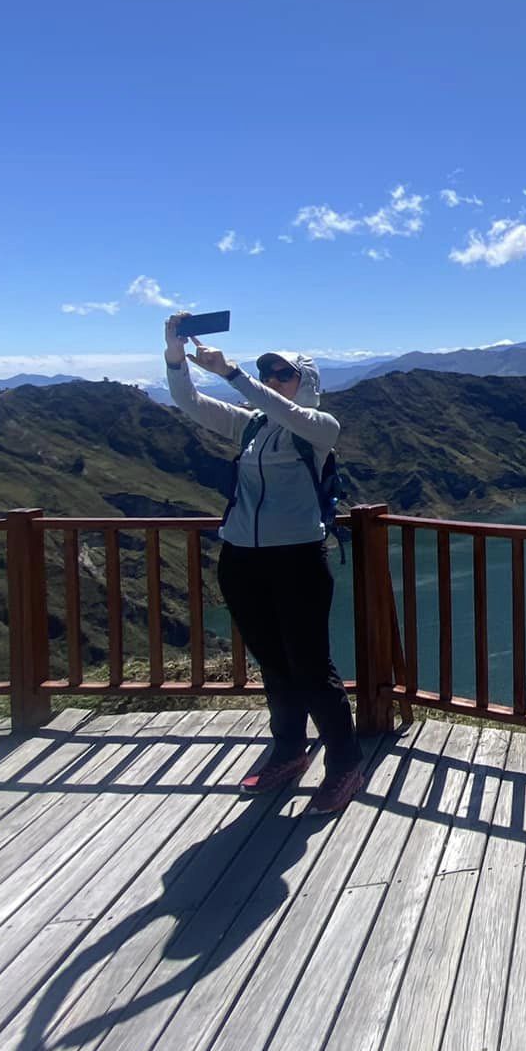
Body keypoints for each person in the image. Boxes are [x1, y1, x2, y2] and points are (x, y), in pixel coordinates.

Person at [164, 314, 362, 812]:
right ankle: (290, 751)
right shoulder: (251, 424)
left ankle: (345, 765)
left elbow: (284, 411)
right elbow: (187, 402)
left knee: (312, 667)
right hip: (242, 558)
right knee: (273, 664)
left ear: (307, 383)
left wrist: (234, 375)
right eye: (266, 373)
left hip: (298, 558)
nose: (272, 381)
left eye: (283, 374)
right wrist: (174, 354)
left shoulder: (319, 427)